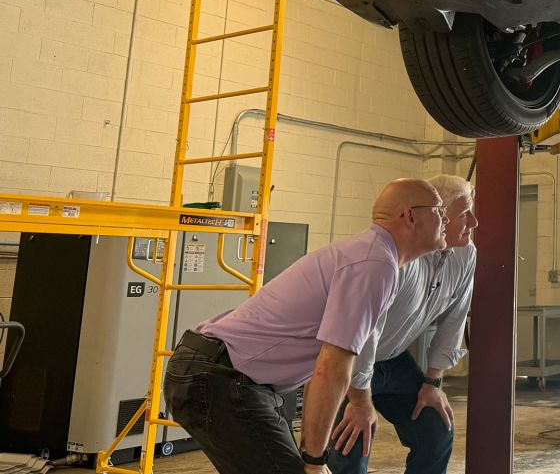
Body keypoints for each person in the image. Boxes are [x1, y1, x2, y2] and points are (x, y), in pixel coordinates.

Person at [163, 179, 448, 474]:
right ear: (410, 216)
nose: (446, 219)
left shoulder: (375, 258)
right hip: (221, 377)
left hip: (225, 375)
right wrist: (314, 461)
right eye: (439, 210)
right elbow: (331, 366)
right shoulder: (374, 263)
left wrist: (329, 436)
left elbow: (327, 364)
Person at [329, 174, 479, 474]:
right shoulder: (398, 258)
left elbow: (455, 320)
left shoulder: (466, 255)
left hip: (393, 360)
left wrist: (433, 382)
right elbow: (367, 334)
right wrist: (359, 401)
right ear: (440, 218)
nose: (474, 222)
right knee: (351, 447)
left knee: (435, 432)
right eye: (464, 214)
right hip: (350, 360)